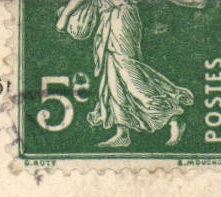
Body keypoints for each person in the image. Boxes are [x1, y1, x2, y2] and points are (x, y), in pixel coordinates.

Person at [56, 0, 201, 147]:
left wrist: (65, 15)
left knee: (130, 75)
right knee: (113, 76)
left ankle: (174, 118)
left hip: (122, 18)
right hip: (108, 19)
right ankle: (122, 132)